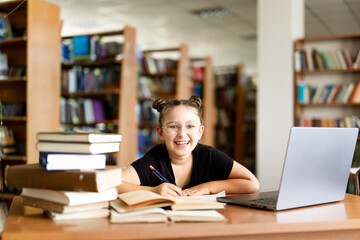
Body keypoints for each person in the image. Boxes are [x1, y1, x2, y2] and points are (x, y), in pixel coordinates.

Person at [118, 95, 259, 197]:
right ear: (160, 132)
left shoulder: (208, 155)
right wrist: (152, 191)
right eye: (173, 126)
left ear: (200, 131)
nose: (182, 134)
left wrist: (208, 188)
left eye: (190, 126)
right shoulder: (153, 160)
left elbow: (252, 184)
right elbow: (113, 185)